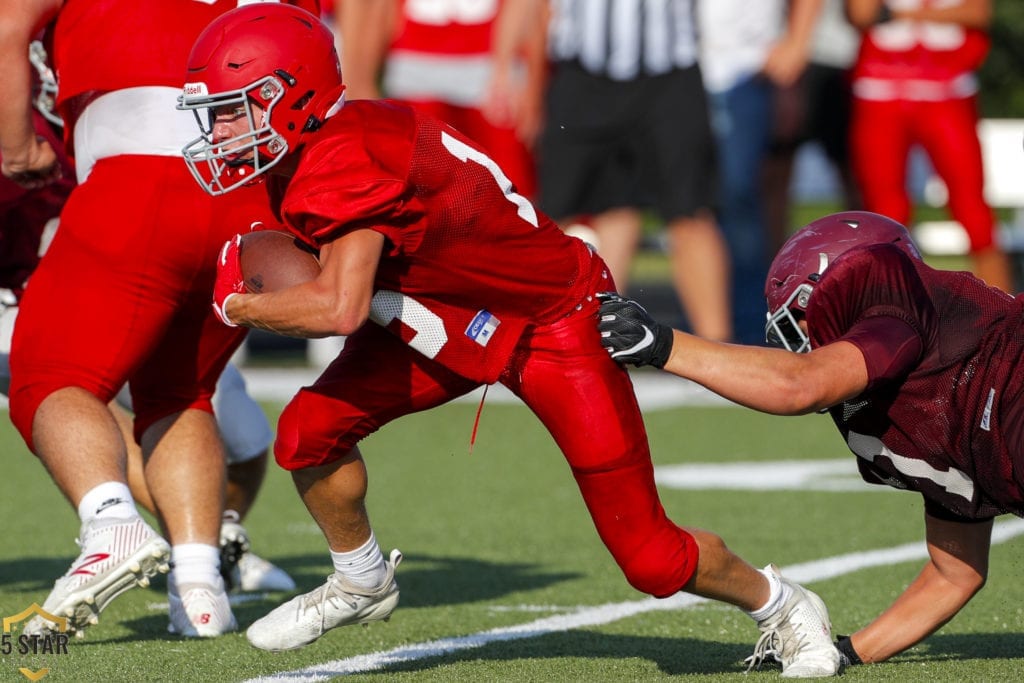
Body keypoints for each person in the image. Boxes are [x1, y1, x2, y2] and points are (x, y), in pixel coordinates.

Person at [176, 5, 841, 676]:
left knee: (651, 559)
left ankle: (782, 603)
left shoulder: (338, 160)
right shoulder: (321, 143)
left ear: (294, 96)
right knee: (306, 432)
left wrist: (237, 304)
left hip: (553, 319)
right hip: (451, 311)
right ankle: (360, 578)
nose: (222, 131)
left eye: (235, 109)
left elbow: (340, 306)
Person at [0, 0, 314, 639]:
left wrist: (15, 141)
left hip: (136, 177)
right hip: (246, 186)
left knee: (47, 377)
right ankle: (199, 587)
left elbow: (6, 28)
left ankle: (110, 522)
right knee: (182, 395)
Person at [598, 209, 1024, 667]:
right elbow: (953, 573)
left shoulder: (887, 291)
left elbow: (801, 384)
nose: (801, 337)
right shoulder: (916, 406)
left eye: (800, 317)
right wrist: (847, 652)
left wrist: (662, 344)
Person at [539, 0, 732, 342]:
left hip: (669, 73)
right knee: (564, 215)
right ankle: (576, 339)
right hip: (582, 74)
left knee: (690, 213)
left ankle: (717, 345)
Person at [845, 0, 1012, 292]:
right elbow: (861, 14)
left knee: (974, 210)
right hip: (882, 88)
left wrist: (904, 14)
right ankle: (889, 312)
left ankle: (1006, 315)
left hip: (947, 89)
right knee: (885, 213)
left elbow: (979, 13)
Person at [697, 0, 824, 344]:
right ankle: (703, 319)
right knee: (692, 206)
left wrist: (796, 46)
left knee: (741, 199)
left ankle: (753, 319)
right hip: (686, 73)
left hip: (749, 68)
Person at [338, 0, 545, 200]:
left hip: (488, 68)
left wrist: (522, 79)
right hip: (416, 66)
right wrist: (362, 81)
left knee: (513, 193)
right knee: (418, 196)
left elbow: (528, 7)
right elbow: (376, 8)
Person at [763, 0, 863, 254]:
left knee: (854, 174)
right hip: (784, 57)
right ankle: (774, 268)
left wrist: (796, 46)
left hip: (834, 57)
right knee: (775, 170)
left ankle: (866, 261)